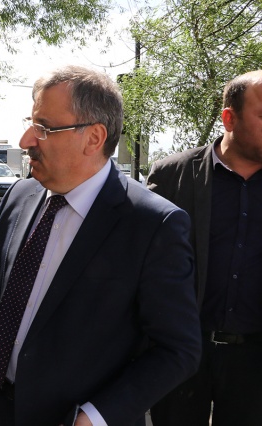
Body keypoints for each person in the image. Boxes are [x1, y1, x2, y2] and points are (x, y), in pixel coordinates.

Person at [0, 65, 202, 426]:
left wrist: (95, 416)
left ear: (93, 138)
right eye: (31, 123)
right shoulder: (21, 194)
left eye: (44, 128)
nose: (25, 140)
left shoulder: (152, 224)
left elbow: (178, 350)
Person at [147, 70, 262, 426]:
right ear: (229, 118)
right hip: (181, 354)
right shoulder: (171, 175)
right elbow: (140, 266)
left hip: (254, 363)